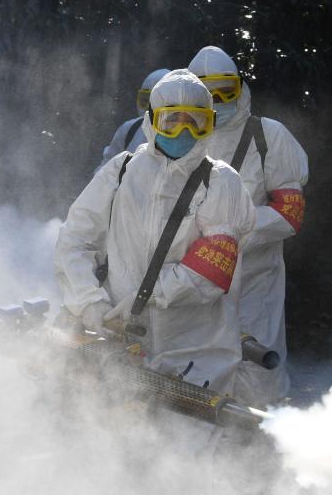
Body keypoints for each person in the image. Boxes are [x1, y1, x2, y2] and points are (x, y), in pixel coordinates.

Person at [54, 69, 256, 396]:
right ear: (151, 121)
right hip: (121, 348)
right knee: (116, 439)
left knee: (187, 444)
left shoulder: (222, 182)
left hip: (197, 356)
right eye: (172, 120)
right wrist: (89, 301)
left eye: (196, 121)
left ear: (210, 124)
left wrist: (147, 297)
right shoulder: (121, 170)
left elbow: (211, 269)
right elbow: (74, 240)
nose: (185, 131)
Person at [188, 46, 308, 406]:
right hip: (191, 280)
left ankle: (260, 451)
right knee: (194, 372)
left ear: (241, 87)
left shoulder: (269, 136)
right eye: (210, 94)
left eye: (227, 90)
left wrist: (233, 233)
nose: (221, 101)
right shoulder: (182, 136)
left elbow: (290, 212)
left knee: (259, 372)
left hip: (255, 280)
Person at [97, 68, 171, 169]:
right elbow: (105, 170)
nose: (149, 109)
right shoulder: (129, 130)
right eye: (145, 101)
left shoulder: (181, 138)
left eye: (155, 102)